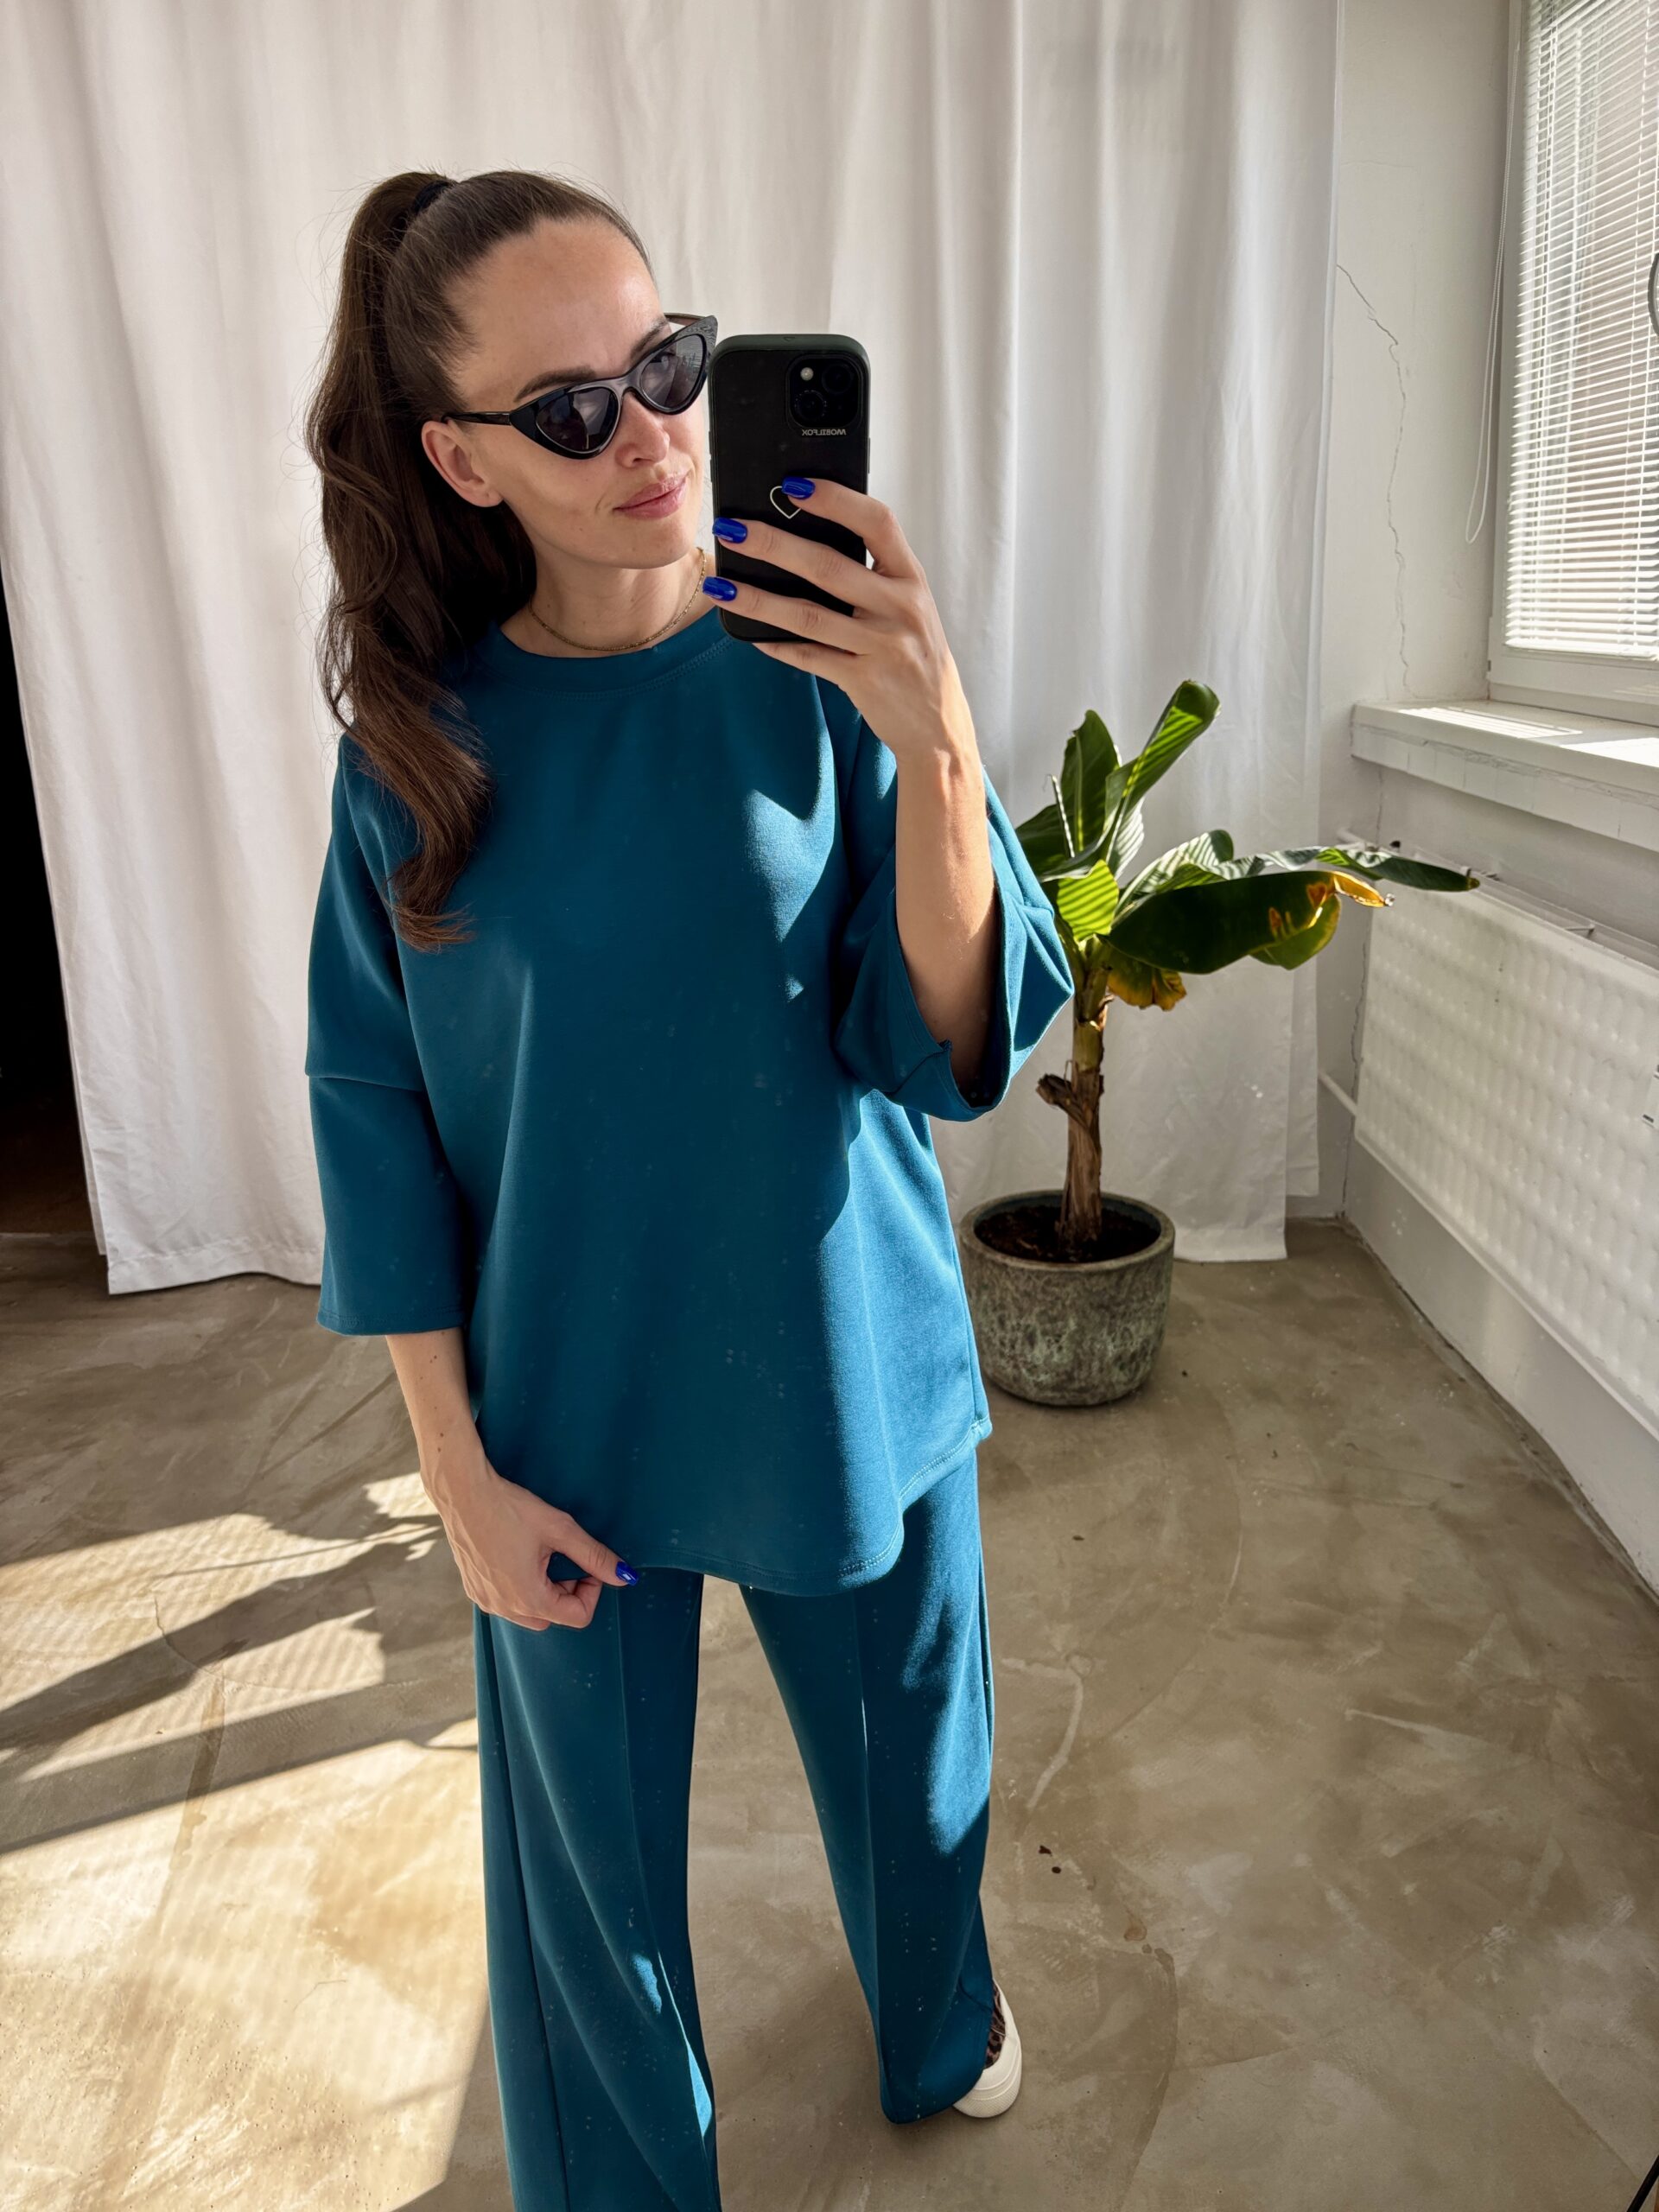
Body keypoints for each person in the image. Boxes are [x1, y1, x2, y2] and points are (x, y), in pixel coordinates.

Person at [301, 166, 1074, 2212]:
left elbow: (941, 1039)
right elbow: (372, 1105)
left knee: (919, 1775)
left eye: (666, 366)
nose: (648, 434)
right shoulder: (419, 753)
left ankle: (937, 2019)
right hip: (565, 1405)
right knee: (590, 1889)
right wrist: (451, 1466)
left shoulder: (819, 661)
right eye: (572, 410)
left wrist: (935, 741)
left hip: (848, 1354)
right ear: (463, 459)